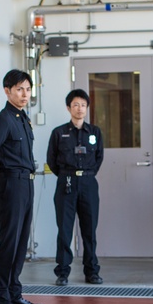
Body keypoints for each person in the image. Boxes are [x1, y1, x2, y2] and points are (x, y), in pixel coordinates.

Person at [0, 69, 44, 304]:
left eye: (28, 89)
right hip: (12, 186)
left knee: (21, 243)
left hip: (26, 185)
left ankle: (14, 294)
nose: (24, 94)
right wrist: (2, 170)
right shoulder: (4, 119)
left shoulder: (23, 118)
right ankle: (1, 303)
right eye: (19, 89)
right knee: (10, 242)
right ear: (7, 90)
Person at [46, 89, 104, 286]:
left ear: (87, 108)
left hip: (88, 183)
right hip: (66, 183)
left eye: (83, 105)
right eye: (76, 105)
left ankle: (92, 271)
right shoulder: (58, 133)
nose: (80, 109)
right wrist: (67, 175)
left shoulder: (95, 132)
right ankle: (62, 272)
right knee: (65, 229)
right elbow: (52, 161)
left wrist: (86, 174)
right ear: (68, 108)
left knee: (90, 230)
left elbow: (99, 158)